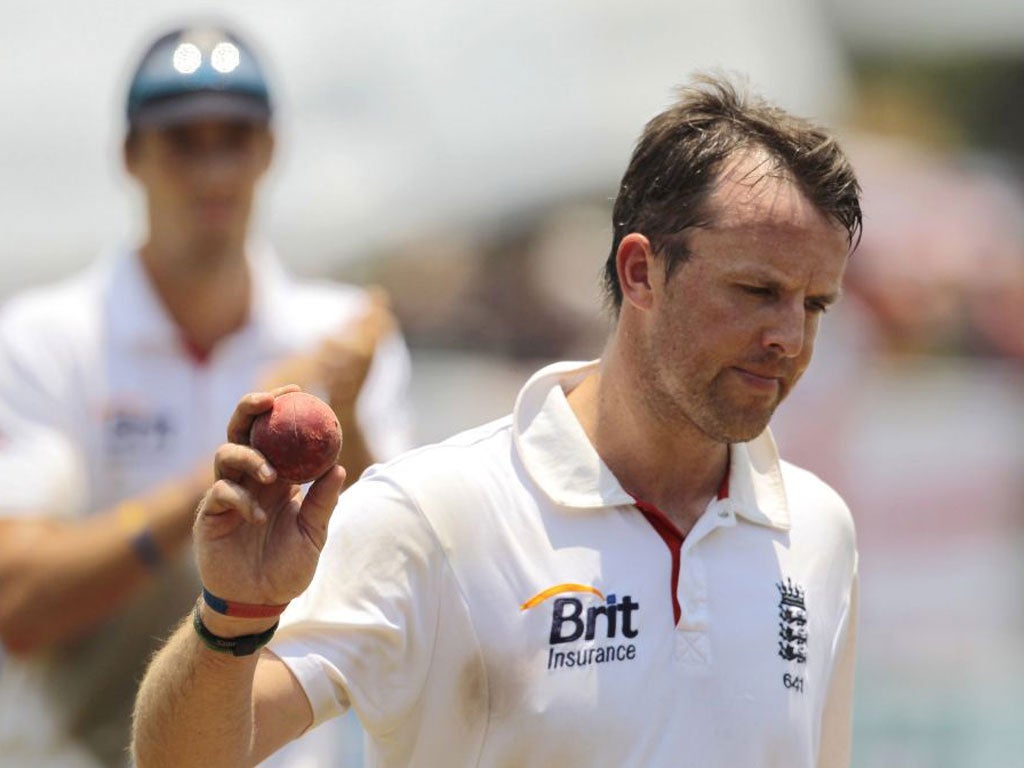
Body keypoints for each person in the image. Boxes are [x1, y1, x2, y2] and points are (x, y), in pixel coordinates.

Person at [132, 74, 862, 768]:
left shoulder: (819, 528)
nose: (789, 338)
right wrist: (231, 618)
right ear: (641, 271)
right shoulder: (434, 513)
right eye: (757, 290)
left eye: (815, 304)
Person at [0, 23, 412, 768]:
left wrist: (351, 426)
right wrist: (211, 485)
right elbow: (17, 604)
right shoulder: (45, 339)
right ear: (132, 156)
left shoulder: (341, 336)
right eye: (183, 140)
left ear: (269, 151)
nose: (213, 171)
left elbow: (406, 581)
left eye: (235, 138)